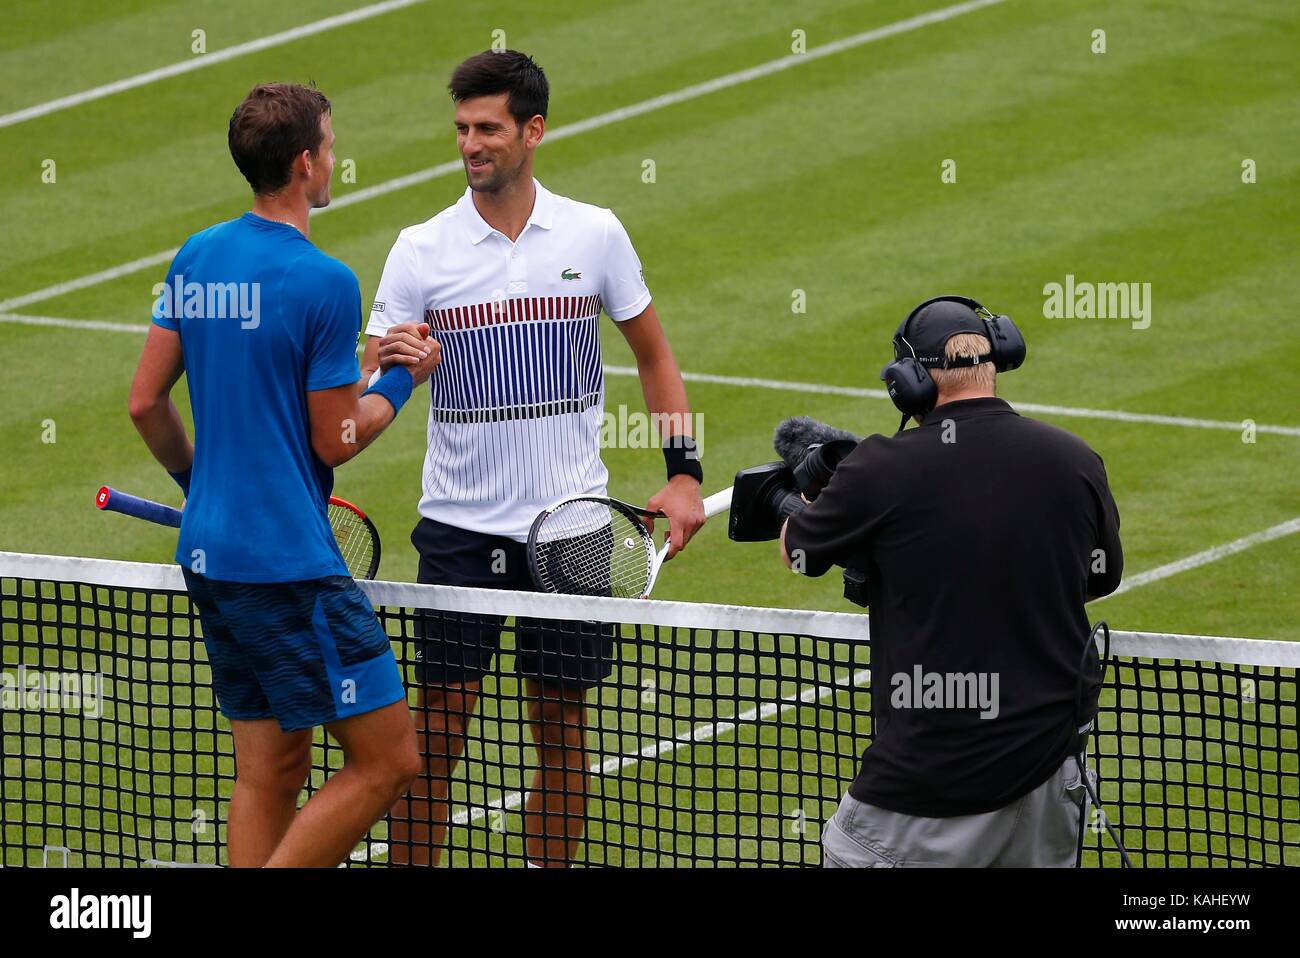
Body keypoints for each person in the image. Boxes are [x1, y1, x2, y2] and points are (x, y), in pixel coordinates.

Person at [365, 50, 706, 867]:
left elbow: (654, 353)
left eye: (487, 128)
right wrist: (393, 355)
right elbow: (373, 364)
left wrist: (684, 471)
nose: (471, 144)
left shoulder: (595, 233)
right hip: (457, 530)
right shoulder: (421, 249)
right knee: (434, 737)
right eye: (461, 129)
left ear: (533, 131)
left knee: (562, 731)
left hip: (574, 529)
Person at [128, 83, 439, 867]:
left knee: (271, 769)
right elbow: (334, 438)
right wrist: (402, 380)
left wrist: (202, 487)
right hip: (285, 567)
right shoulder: (325, 281)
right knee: (390, 758)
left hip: (209, 553)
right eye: (329, 146)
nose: (334, 158)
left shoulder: (198, 256)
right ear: (305, 163)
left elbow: (145, 403)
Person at [780, 295, 1124, 867]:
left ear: (908, 382)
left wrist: (802, 500)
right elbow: (1100, 575)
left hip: (924, 788)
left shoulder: (880, 467)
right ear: (999, 356)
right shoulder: (1076, 459)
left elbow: (800, 554)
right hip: (1048, 782)